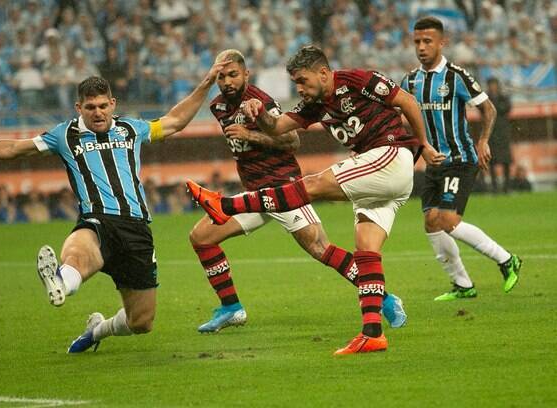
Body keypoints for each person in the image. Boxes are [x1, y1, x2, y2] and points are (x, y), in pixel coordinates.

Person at [0, 64, 228, 354]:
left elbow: (175, 121)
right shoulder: (64, 135)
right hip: (98, 221)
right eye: (90, 107)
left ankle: (96, 330)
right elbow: (13, 148)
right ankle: (61, 280)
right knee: (80, 256)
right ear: (78, 107)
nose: (97, 112)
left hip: (137, 230)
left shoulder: (131, 128)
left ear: (112, 103)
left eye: (102, 106)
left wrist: (206, 83)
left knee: (142, 322)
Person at [187, 45, 445, 355]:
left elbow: (405, 101)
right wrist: (263, 121)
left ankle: (225, 205)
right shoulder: (310, 104)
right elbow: (280, 126)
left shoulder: (356, 80)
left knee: (317, 219)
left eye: (302, 81)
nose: (298, 88)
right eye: (295, 82)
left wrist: (425, 145)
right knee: (365, 247)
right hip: (273, 189)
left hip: (362, 163)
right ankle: (372, 331)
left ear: (323, 73)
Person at [400, 17, 522, 301]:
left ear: (442, 43)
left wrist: (482, 141)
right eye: (417, 41)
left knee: (447, 218)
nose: (421, 47)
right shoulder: (410, 80)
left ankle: (507, 260)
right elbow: (400, 117)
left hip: (460, 158)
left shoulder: (457, 76)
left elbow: (488, 108)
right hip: (434, 163)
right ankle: (463, 284)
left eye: (427, 41)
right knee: (431, 221)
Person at [486, 77, 513, 193]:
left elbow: (506, 108)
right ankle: (494, 187)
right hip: (490, 133)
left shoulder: (503, 97)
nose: (493, 87)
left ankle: (506, 186)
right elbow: (483, 110)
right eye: (491, 84)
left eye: (494, 84)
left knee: (506, 161)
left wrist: (494, 108)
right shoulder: (486, 98)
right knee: (492, 161)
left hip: (503, 133)